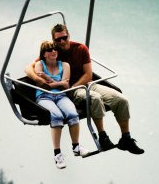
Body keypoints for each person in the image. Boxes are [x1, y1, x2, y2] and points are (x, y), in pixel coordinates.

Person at [25, 24, 144, 154]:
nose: (62, 42)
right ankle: (102, 136)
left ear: (68, 35)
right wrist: (38, 80)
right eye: (58, 40)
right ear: (54, 41)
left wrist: (75, 85)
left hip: (85, 84)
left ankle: (126, 138)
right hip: (72, 91)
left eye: (64, 38)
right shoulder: (54, 53)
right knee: (94, 98)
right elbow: (29, 68)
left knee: (121, 100)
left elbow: (88, 74)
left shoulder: (81, 48)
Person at [34, 40, 85, 169]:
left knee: (73, 115)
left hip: (61, 95)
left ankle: (76, 146)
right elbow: (43, 86)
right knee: (56, 116)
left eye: (54, 49)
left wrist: (48, 79)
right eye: (49, 50)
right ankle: (57, 154)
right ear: (44, 54)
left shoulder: (64, 65)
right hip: (44, 96)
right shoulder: (39, 65)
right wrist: (57, 83)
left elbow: (66, 85)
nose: (53, 52)